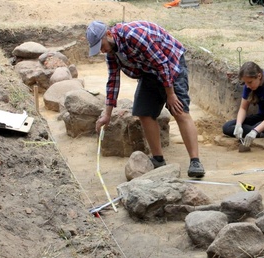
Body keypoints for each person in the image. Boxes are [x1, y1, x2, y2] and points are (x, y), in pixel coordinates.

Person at [86, 20, 205, 178]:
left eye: (101, 46)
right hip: (149, 70)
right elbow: (113, 81)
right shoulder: (112, 53)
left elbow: (162, 64)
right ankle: (158, 159)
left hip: (170, 63)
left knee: (179, 110)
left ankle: (195, 161)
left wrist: (170, 94)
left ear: (108, 35)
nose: (102, 51)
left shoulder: (134, 36)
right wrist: (107, 114)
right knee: (144, 112)